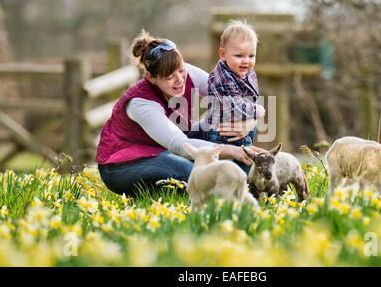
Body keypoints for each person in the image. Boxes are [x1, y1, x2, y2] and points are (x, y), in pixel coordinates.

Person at [96, 30, 263, 197]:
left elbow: (231, 101)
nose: (180, 80)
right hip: (123, 164)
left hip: (166, 148)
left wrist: (249, 123)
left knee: (234, 122)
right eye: (169, 77)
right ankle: (222, 189)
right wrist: (232, 151)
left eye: (181, 71)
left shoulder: (188, 73)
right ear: (151, 77)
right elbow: (179, 145)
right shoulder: (140, 102)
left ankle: (243, 186)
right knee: (191, 171)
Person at [202, 20, 265, 174]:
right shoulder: (224, 78)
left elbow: (250, 97)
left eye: (251, 56)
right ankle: (238, 186)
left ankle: (244, 185)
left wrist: (251, 119)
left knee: (245, 157)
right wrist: (258, 110)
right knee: (231, 166)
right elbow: (236, 108)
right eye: (239, 55)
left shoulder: (244, 70)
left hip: (241, 125)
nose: (246, 60)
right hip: (222, 133)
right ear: (223, 54)